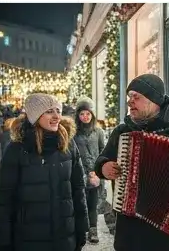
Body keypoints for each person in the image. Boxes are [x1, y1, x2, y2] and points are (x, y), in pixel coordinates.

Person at [94, 76, 169, 251]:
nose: (130, 102)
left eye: (136, 97)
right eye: (129, 97)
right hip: (130, 234)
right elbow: (101, 161)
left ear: (154, 100)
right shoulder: (123, 132)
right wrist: (104, 167)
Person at [0, 93, 89, 251]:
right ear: (35, 116)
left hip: (64, 238)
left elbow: (78, 190)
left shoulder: (69, 146)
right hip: (28, 239)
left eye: (58, 110)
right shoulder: (17, 149)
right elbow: (4, 199)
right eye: (50, 111)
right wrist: (3, 242)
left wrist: (81, 229)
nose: (57, 116)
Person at [73, 98, 109, 245]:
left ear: (92, 114)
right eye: (82, 114)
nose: (85, 117)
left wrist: (97, 171)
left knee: (93, 203)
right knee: (80, 203)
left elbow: (103, 150)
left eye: (88, 113)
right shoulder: (73, 132)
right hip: (79, 173)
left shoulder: (98, 131)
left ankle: (93, 230)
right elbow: (72, 153)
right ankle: (81, 230)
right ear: (78, 115)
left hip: (95, 174)